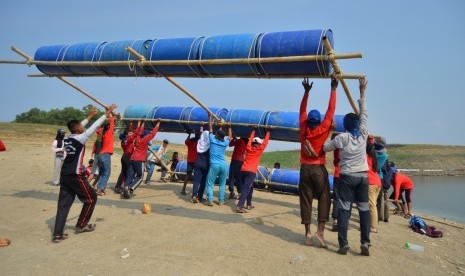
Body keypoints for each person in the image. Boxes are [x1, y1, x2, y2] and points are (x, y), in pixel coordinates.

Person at [52, 104, 116, 243]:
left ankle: (57, 235)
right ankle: (81, 224)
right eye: (82, 127)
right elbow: (93, 128)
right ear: (79, 129)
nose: (83, 127)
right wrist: (107, 113)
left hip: (65, 175)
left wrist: (90, 115)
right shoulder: (80, 138)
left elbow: (78, 126)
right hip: (75, 175)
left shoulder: (68, 138)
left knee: (63, 205)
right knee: (91, 198)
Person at [323, 78, 370, 256]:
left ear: (345, 125)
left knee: (344, 209)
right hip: (363, 177)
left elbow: (326, 147)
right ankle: (365, 242)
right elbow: (364, 113)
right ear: (358, 124)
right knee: (364, 209)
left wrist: (328, 134)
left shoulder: (342, 138)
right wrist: (362, 92)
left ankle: (343, 244)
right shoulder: (363, 134)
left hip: (346, 177)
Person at [298, 77, 337, 249]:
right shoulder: (324, 128)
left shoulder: (303, 128)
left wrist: (306, 92)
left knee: (305, 199)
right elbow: (331, 109)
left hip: (304, 169)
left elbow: (302, 110)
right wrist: (333, 88)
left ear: (308, 121)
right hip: (318, 169)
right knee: (324, 198)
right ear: (319, 121)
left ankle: (307, 233)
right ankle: (320, 232)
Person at [122, 120, 161, 199]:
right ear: (146, 134)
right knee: (140, 177)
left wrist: (142, 123)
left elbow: (139, 131)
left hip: (132, 158)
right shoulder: (145, 139)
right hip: (139, 159)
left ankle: (125, 188)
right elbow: (153, 133)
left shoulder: (137, 137)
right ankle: (130, 188)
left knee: (130, 175)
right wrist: (158, 123)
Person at [236, 127, 270, 213]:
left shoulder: (248, 148)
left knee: (250, 187)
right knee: (246, 189)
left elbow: (250, 140)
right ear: (258, 144)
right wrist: (268, 132)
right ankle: (240, 206)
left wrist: (253, 130)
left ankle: (249, 204)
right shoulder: (259, 150)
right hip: (251, 172)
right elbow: (265, 142)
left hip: (243, 170)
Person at [205, 114, 232, 206]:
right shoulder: (224, 143)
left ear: (216, 135)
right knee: (222, 184)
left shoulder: (212, 139)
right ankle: (221, 201)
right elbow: (230, 137)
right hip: (224, 165)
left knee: (210, 183)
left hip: (214, 165)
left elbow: (210, 128)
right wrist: (229, 127)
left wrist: (210, 118)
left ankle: (210, 200)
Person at [95, 115, 115, 195]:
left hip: (100, 155)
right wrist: (111, 116)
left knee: (103, 172)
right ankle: (101, 189)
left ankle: (99, 187)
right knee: (107, 172)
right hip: (105, 155)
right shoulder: (108, 134)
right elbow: (112, 122)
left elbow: (97, 129)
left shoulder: (102, 134)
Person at [114, 125, 136, 194]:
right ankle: (125, 187)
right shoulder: (128, 140)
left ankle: (117, 187)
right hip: (127, 157)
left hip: (124, 157)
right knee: (129, 173)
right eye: (130, 133)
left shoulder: (124, 140)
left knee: (123, 173)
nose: (132, 134)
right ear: (127, 134)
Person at [191, 124, 209, 203]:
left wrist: (201, 126)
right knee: (203, 181)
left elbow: (200, 134)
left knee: (196, 181)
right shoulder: (209, 144)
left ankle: (194, 196)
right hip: (206, 165)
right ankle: (200, 197)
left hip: (197, 163)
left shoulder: (199, 142)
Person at [366, 138, 381, 233]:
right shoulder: (373, 156)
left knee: (372, 205)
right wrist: (370, 139)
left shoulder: (365, 156)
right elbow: (370, 145)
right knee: (373, 204)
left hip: (370, 183)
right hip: (377, 182)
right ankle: (372, 224)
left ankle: (374, 227)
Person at [227, 134, 248, 199]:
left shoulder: (240, 141)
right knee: (239, 178)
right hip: (241, 161)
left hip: (235, 160)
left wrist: (234, 138)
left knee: (232, 176)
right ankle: (240, 193)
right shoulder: (246, 142)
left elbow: (230, 144)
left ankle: (231, 192)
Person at [374, 137, 389, 222]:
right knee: (380, 199)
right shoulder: (384, 155)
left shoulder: (373, 154)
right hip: (381, 178)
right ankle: (379, 218)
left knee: (372, 200)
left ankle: (375, 218)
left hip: (373, 177)